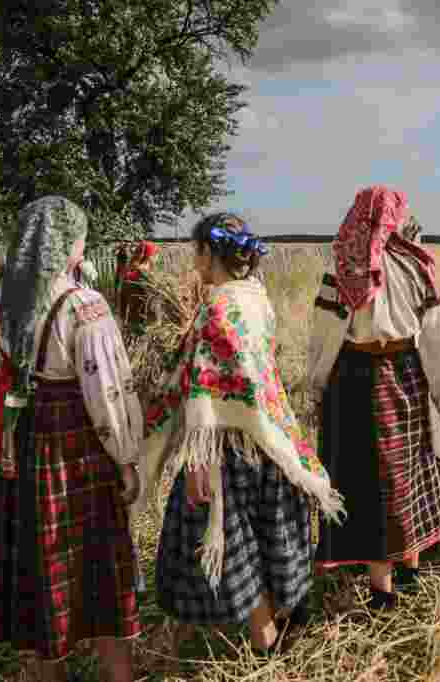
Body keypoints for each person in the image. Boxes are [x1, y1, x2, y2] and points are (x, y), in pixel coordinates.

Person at [142, 213, 344, 655]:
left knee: (234, 545)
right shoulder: (256, 299)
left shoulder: (218, 308)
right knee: (267, 536)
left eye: (197, 252)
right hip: (267, 439)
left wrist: (200, 463)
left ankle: (265, 640)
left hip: (225, 450)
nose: (194, 262)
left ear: (209, 253)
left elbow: (208, 390)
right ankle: (280, 623)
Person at [0, 196, 143, 682]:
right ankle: (119, 676)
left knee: (37, 559)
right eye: (80, 238)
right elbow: (107, 392)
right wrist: (126, 459)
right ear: (70, 247)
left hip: (18, 446)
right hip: (76, 452)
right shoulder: (84, 305)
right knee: (99, 566)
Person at [307, 185, 440, 611]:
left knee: (372, 478)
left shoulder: (343, 264)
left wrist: (316, 387)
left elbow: (322, 335)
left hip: (354, 381)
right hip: (402, 378)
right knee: (402, 473)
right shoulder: (416, 265)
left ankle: (388, 582)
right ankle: (401, 571)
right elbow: (437, 340)